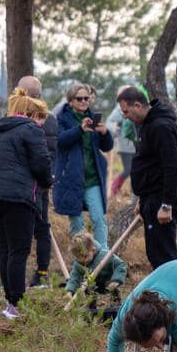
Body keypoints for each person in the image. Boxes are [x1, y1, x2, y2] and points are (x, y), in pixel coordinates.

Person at [0, 89, 52, 321]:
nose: (42, 123)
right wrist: (48, 182)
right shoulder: (31, 130)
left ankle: (10, 300)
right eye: (41, 118)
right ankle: (16, 304)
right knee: (19, 251)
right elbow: (41, 163)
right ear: (32, 115)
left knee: (5, 249)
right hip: (17, 197)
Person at [116, 85, 177, 269]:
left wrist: (166, 204)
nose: (125, 116)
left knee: (164, 256)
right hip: (150, 198)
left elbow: (172, 167)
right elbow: (148, 164)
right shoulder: (146, 125)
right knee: (154, 253)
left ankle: (171, 296)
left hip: (162, 200)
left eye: (126, 111)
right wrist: (142, 200)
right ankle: (161, 295)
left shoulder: (161, 127)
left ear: (137, 105)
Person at [55, 83, 114, 251]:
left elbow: (107, 147)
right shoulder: (62, 118)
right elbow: (61, 141)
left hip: (92, 178)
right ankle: (81, 259)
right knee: (77, 223)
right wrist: (79, 129)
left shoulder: (93, 118)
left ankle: (103, 258)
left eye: (86, 98)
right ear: (71, 101)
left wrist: (104, 133)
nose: (83, 101)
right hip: (71, 178)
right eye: (79, 98)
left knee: (99, 219)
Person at [19, 76, 59, 288]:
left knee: (35, 228)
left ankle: (36, 273)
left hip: (28, 183)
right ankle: (39, 273)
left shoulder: (28, 119)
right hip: (40, 182)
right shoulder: (49, 118)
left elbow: (45, 153)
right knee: (41, 228)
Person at [65, 230, 127, 302]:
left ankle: (116, 304)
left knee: (113, 289)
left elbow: (120, 264)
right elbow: (74, 277)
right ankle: (91, 308)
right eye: (78, 257)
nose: (82, 260)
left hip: (108, 282)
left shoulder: (105, 255)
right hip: (93, 285)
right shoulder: (79, 263)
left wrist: (116, 280)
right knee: (86, 287)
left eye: (85, 256)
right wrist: (69, 291)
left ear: (93, 250)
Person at [107, 102, 137, 198]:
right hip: (125, 146)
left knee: (136, 171)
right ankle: (114, 188)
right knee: (128, 170)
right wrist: (115, 126)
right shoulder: (119, 109)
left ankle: (135, 195)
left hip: (137, 145)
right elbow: (109, 122)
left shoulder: (137, 105)